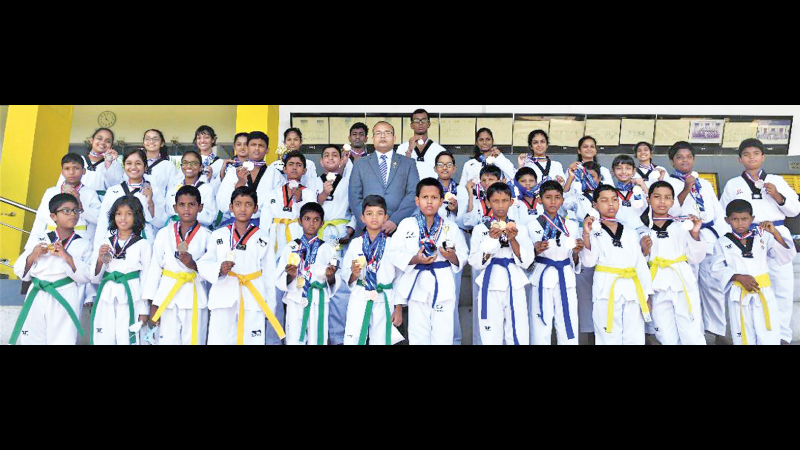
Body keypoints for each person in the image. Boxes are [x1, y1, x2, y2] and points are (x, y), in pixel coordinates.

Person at [720, 138, 800, 345]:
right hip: (747, 237)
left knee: (782, 285)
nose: (752, 157)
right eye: (746, 154)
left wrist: (777, 196)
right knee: (752, 285)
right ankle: (753, 335)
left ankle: (782, 336)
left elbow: (794, 209)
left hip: (774, 231)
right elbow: (724, 216)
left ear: (763, 157)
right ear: (739, 159)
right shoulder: (733, 184)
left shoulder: (777, 180)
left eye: (756, 153)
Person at [197, 187, 283, 345]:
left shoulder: (263, 238)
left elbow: (269, 274)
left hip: (252, 295)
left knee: (251, 340)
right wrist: (219, 269)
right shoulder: (218, 235)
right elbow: (203, 264)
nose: (243, 209)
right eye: (238, 204)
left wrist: (270, 305)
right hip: (223, 296)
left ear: (256, 208)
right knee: (220, 340)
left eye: (248, 204)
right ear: (231, 207)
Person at [388, 178, 467, 345]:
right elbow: (394, 252)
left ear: (441, 201)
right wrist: (415, 258)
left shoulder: (450, 227)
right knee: (418, 335)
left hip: (442, 283)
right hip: (417, 285)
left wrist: (450, 256)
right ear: (417, 200)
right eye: (425, 197)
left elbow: (462, 254)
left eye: (434, 197)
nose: (429, 201)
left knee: (443, 335)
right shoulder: (407, 224)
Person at [663, 141, 729, 342]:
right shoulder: (669, 184)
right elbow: (670, 211)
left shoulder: (705, 183)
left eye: (688, 156)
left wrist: (716, 234)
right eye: (680, 157)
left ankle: (718, 331)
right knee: (690, 287)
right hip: (685, 239)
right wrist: (685, 188)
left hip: (709, 237)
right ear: (672, 162)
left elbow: (718, 212)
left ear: (693, 159)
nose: (685, 160)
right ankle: (695, 331)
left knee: (713, 287)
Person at [10, 193, 93, 345]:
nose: (72, 214)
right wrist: (33, 255)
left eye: (76, 210)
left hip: (66, 292)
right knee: (32, 337)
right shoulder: (39, 239)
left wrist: (66, 256)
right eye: (66, 211)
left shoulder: (84, 244)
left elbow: (86, 276)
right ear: (53, 216)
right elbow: (19, 270)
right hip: (38, 292)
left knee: (63, 339)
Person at [710, 199, 796, 345]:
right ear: (727, 220)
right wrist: (738, 277)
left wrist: (775, 232)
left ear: (752, 219)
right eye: (735, 219)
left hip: (763, 292)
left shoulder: (763, 237)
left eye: (744, 219)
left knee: (768, 334)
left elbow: (785, 255)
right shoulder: (722, 242)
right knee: (744, 335)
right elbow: (716, 269)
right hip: (739, 293)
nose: (740, 223)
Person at [579, 185, 654, 345]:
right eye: (604, 200)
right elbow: (589, 261)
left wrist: (647, 294)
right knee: (608, 337)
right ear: (595, 205)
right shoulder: (592, 230)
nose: (611, 204)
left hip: (633, 291)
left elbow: (640, 265)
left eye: (614, 199)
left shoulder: (630, 231)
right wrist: (586, 233)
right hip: (605, 290)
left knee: (634, 337)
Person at [639, 181, 706, 345]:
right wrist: (643, 252)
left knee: (691, 331)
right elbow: (637, 263)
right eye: (657, 197)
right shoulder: (641, 229)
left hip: (682, 282)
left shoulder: (683, 226)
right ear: (648, 199)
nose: (662, 202)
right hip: (656, 284)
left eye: (667, 197)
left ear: (673, 202)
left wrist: (695, 233)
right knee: (664, 333)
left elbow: (696, 257)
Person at [144, 185, 213, 345]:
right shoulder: (164, 233)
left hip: (195, 296)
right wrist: (153, 302)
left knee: (195, 340)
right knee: (167, 340)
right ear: (175, 208)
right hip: (167, 295)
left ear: (200, 207)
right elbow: (155, 268)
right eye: (182, 205)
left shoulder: (208, 236)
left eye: (192, 204)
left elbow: (211, 270)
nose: (187, 209)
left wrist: (194, 265)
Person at [468, 182, 534, 345]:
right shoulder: (479, 229)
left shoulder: (521, 229)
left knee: (518, 332)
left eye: (504, 200)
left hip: (515, 282)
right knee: (491, 335)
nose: (500, 205)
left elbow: (527, 261)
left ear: (511, 202)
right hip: (490, 282)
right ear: (488, 203)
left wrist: (513, 240)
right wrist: (491, 238)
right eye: (496, 201)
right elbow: (476, 262)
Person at [87, 196, 152, 345]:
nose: (123, 218)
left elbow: (147, 278)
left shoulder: (143, 244)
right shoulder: (106, 241)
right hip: (107, 294)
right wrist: (100, 258)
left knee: (127, 337)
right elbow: (95, 277)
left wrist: (144, 310)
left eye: (128, 214)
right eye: (118, 214)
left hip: (132, 294)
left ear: (137, 216)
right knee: (104, 337)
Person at [341, 195, 404, 345]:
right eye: (369, 213)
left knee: (382, 339)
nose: (374, 217)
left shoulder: (393, 244)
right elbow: (345, 274)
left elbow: (400, 278)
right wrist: (354, 275)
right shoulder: (356, 244)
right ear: (362, 217)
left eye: (379, 213)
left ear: (386, 217)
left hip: (384, 296)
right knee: (353, 337)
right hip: (360, 295)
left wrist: (399, 308)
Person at [276, 202, 341, 345]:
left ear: (322, 223)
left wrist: (331, 276)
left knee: (318, 338)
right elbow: (279, 275)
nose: (311, 223)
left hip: (318, 298)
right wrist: (290, 275)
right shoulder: (291, 247)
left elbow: (335, 276)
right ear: (300, 221)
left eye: (316, 220)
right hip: (295, 297)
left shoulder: (327, 248)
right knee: (294, 338)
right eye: (307, 219)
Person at [528, 180, 584, 345]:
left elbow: (575, 259)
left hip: (565, 276)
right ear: (540, 200)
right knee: (539, 325)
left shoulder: (572, 226)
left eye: (557, 197)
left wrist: (576, 252)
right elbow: (524, 258)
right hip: (541, 276)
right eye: (548, 197)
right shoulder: (531, 225)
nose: (553, 201)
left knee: (568, 322)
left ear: (562, 200)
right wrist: (534, 250)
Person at [310, 144, 356, 345]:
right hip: (320, 234)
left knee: (339, 284)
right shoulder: (313, 182)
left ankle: (339, 337)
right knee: (319, 279)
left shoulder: (348, 182)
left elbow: (356, 207)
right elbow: (308, 208)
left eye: (334, 155)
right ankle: (319, 335)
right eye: (326, 155)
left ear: (341, 161)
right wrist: (322, 195)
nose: (330, 158)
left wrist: (351, 229)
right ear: (321, 161)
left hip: (340, 235)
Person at [348, 121, 420, 235]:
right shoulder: (360, 163)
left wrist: (394, 220)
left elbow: (413, 193)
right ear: (372, 138)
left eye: (387, 133)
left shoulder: (408, 163)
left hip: (400, 227)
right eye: (378, 133)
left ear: (394, 138)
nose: (382, 136)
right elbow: (354, 196)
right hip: (368, 229)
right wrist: (367, 224)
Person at [563, 160, 603, 342]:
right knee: (584, 295)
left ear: (599, 178)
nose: (588, 180)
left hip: (602, 241)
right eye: (584, 176)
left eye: (592, 176)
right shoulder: (576, 195)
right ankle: (587, 335)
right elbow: (563, 202)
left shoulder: (605, 195)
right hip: (581, 239)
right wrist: (571, 179)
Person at [434, 150, 469, 344]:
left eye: (448, 164)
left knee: (452, 295)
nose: (445, 168)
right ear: (435, 168)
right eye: (441, 164)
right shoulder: (430, 189)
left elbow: (467, 220)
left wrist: (456, 210)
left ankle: (454, 339)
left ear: (454, 168)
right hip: (433, 240)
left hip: (455, 240)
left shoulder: (461, 190)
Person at [28, 153, 101, 246]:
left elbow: (98, 219)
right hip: (51, 238)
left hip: (79, 239)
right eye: (67, 168)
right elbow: (40, 219)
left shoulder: (90, 193)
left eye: (76, 168)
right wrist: (30, 246)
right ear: (62, 172)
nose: (71, 172)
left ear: (84, 171)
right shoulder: (51, 192)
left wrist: (80, 204)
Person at [95, 148, 162, 245]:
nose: (133, 167)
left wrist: (150, 201)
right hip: (116, 242)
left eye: (138, 163)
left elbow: (160, 222)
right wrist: (98, 252)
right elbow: (103, 223)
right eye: (129, 163)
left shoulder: (154, 190)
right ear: (124, 166)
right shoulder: (113, 191)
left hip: (144, 241)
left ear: (145, 166)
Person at [215, 131, 272, 228]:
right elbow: (222, 205)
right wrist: (239, 184)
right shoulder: (233, 172)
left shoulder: (274, 173)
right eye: (253, 145)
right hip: (234, 224)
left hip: (264, 225)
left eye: (261, 146)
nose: (256, 149)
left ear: (267, 150)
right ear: (248, 148)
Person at [57, 127, 124, 196]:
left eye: (108, 141)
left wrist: (108, 163)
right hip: (76, 203)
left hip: (102, 205)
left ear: (111, 146)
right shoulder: (75, 161)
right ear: (91, 140)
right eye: (99, 138)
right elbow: (60, 186)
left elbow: (116, 189)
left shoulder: (115, 165)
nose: (103, 142)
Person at [164, 150, 218, 228]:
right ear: (181, 166)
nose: (189, 166)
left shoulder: (207, 189)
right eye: (185, 163)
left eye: (194, 163)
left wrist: (185, 214)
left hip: (198, 232)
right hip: (174, 231)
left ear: (200, 168)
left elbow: (209, 217)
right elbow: (168, 212)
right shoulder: (173, 189)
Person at [395, 108, 447, 181]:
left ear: (429, 124)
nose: (420, 123)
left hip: (432, 189)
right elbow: (398, 172)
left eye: (424, 120)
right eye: (416, 121)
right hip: (409, 190)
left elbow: (444, 174)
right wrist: (409, 150)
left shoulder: (439, 150)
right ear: (411, 125)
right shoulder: (402, 148)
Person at [141, 129, 178, 221]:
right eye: (147, 138)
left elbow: (172, 191)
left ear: (161, 143)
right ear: (143, 143)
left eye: (155, 139)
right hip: (137, 208)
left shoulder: (168, 166)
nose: (151, 141)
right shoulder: (137, 163)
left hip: (159, 210)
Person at [611, 154, 649, 228]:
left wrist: (643, 186)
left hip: (640, 231)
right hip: (618, 233)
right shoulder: (611, 193)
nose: (624, 172)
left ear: (634, 171)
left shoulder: (640, 191)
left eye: (628, 168)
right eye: (619, 168)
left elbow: (652, 205)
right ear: (613, 171)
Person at [193, 125, 225, 191]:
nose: (202, 141)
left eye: (206, 137)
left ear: (213, 140)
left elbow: (222, 188)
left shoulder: (220, 163)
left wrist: (210, 178)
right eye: (199, 138)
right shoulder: (191, 160)